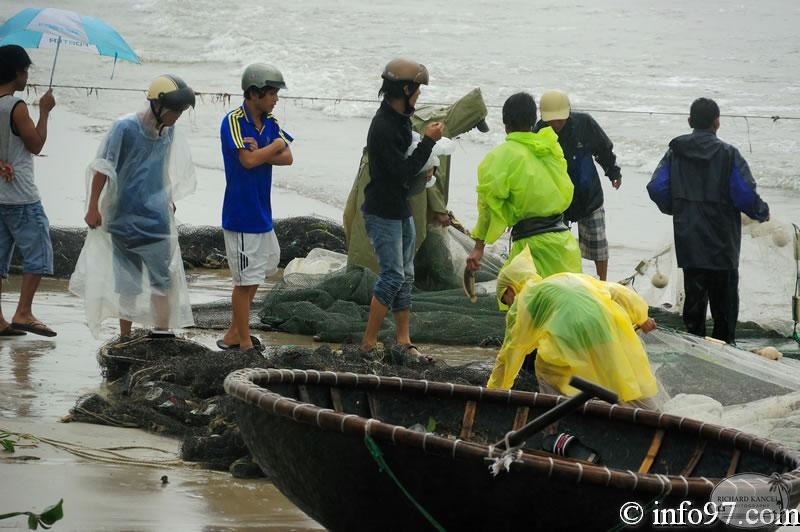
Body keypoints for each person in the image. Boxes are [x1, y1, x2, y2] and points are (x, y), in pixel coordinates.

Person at [69, 74, 197, 338]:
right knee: (127, 283)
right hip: (123, 216)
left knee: (163, 278)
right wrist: (93, 207)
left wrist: (169, 198)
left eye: (182, 111)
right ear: (157, 105)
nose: (178, 116)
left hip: (157, 216)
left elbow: (162, 167)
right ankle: (125, 335)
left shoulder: (168, 131)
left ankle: (161, 332)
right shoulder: (124, 128)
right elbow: (103, 167)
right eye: (175, 110)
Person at [647, 97, 770, 344]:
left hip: (689, 238)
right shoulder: (728, 154)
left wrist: (676, 208)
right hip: (722, 242)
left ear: (690, 121)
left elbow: (657, 187)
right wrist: (761, 212)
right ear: (717, 123)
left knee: (694, 302)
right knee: (724, 306)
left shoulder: (676, 152)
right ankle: (726, 351)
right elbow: (744, 194)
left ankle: (693, 349)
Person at [487, 246, 659, 410]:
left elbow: (509, 354)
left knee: (547, 370)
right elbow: (617, 291)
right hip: (605, 330)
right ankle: (653, 414)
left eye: (505, 300)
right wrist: (642, 318)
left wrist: (494, 393)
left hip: (570, 337)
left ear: (511, 289)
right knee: (620, 375)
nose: (508, 306)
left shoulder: (523, 302)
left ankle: (559, 421)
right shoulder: (564, 278)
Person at [359, 58, 443, 359]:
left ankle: (403, 339)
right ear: (405, 89)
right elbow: (400, 171)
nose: (419, 95)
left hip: (400, 207)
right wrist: (429, 144)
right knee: (393, 275)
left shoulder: (401, 120)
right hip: (382, 211)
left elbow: (407, 167)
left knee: (406, 275)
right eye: (417, 89)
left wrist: (425, 169)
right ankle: (368, 343)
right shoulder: (383, 126)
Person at [467, 92, 581, 292]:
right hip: (565, 246)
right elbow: (566, 187)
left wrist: (478, 247)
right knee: (565, 309)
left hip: (530, 249)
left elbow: (488, 204)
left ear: (506, 124)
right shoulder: (550, 146)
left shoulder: (499, 157)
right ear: (533, 121)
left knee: (518, 308)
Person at [217, 63, 293, 351]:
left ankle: (234, 332)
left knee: (258, 272)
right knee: (243, 280)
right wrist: (272, 148)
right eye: (272, 93)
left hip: (263, 212)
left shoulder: (270, 123)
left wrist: (265, 150)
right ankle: (244, 341)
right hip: (241, 215)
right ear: (253, 93)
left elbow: (288, 157)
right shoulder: (234, 121)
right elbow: (246, 162)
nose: (276, 99)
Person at [535, 90, 622, 281]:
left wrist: (613, 171)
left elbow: (603, 149)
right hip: (556, 201)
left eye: (560, 120)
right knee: (557, 248)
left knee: (598, 245)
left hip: (588, 196)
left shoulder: (584, 123)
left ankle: (603, 282)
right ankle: (559, 281)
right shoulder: (538, 131)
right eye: (552, 120)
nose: (556, 124)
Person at [0, 44, 56, 337]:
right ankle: (23, 312)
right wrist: (44, 112)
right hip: (20, 194)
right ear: (16, 72)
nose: (26, 76)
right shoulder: (16, 106)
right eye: (25, 71)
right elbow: (36, 145)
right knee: (38, 252)